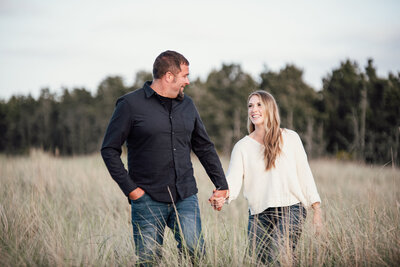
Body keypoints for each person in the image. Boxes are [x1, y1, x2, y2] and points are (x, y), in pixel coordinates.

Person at [101, 50, 229, 266]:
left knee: (195, 255)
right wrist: (133, 191)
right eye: (185, 76)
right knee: (149, 261)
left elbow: (204, 147)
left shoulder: (187, 105)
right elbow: (109, 150)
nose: (187, 82)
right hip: (147, 199)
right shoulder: (130, 105)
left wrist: (221, 183)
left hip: (185, 196)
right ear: (169, 76)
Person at [213, 90, 322, 264]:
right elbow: (232, 181)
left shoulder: (290, 138)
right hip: (259, 214)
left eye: (258, 105)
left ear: (270, 108)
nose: (253, 109)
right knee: (261, 261)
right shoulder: (242, 147)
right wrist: (222, 196)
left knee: (280, 253)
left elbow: (305, 173)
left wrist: (316, 208)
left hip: (292, 209)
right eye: (250, 106)